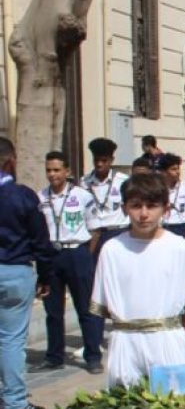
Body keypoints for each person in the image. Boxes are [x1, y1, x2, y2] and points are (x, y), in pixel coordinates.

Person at [89, 172, 185, 409]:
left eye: (151, 205)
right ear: (125, 208)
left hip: (170, 339)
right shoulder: (113, 249)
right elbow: (103, 306)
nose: (144, 214)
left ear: (166, 207)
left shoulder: (180, 247)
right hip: (127, 341)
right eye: (136, 206)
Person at [0, 137, 54, 409]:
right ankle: (16, 402)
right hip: (14, 270)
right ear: (11, 160)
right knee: (11, 340)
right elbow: (40, 240)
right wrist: (45, 276)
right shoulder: (22, 196)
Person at [36, 151, 104, 374]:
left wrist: (86, 255)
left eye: (57, 170)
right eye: (48, 170)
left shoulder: (82, 196)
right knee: (53, 310)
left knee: (85, 308)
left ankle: (93, 355)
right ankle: (54, 356)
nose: (52, 174)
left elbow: (94, 228)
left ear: (67, 171)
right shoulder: (40, 197)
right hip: (52, 256)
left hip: (77, 253)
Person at [83, 137, 130, 252]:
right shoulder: (84, 182)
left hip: (117, 233)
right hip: (93, 236)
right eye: (96, 160)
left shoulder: (123, 181)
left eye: (104, 161)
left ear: (111, 160)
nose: (99, 164)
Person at [157, 154, 185, 237]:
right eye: (173, 169)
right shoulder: (157, 188)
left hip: (182, 227)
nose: (178, 172)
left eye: (178, 168)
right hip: (164, 226)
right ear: (164, 172)